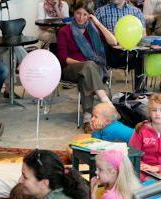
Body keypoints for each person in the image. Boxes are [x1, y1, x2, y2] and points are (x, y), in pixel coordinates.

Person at [57, 0, 117, 134]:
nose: (81, 17)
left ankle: (87, 118)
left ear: (90, 15)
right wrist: (82, 65)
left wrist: (97, 23)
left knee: (87, 75)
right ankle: (105, 100)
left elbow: (113, 41)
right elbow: (63, 58)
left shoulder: (94, 29)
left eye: (85, 14)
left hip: (96, 69)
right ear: (74, 13)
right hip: (71, 69)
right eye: (78, 13)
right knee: (87, 67)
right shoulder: (64, 31)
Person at [95, 0, 146, 93]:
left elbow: (143, 35)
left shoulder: (136, 12)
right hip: (111, 52)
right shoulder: (100, 12)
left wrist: (132, 44)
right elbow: (94, 35)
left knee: (141, 57)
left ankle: (139, 92)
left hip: (131, 51)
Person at [130, 94, 161, 182]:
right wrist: (146, 168)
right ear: (149, 112)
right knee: (151, 183)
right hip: (144, 170)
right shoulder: (141, 129)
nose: (157, 113)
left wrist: (157, 168)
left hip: (158, 169)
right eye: (154, 110)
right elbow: (133, 154)